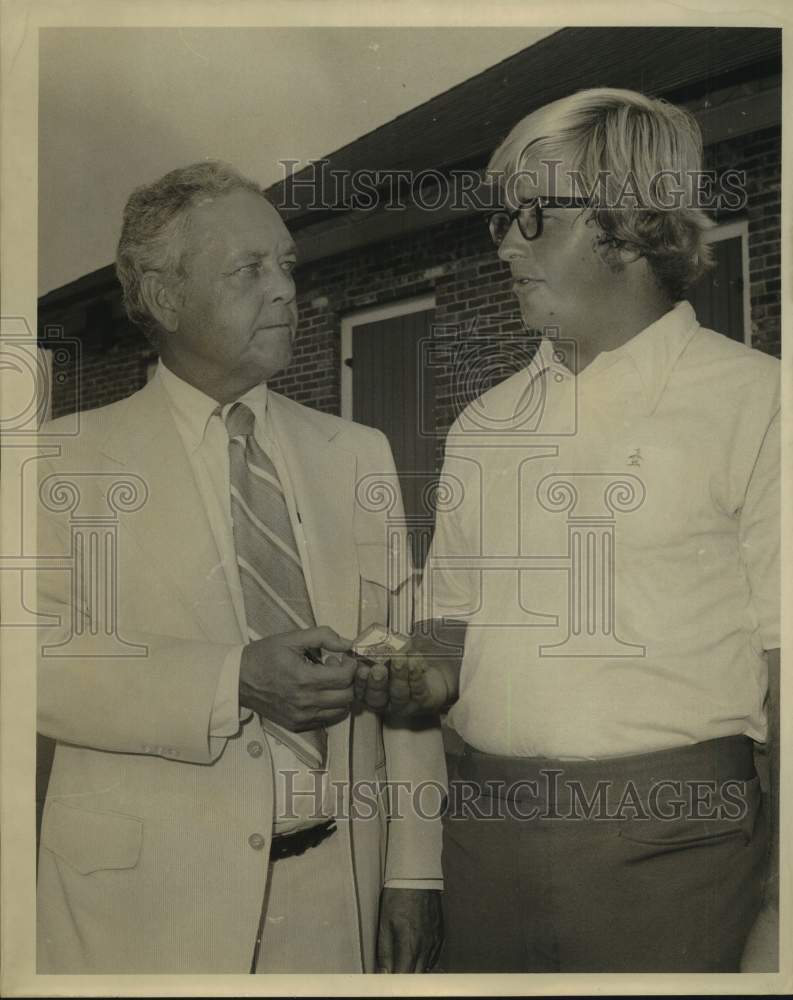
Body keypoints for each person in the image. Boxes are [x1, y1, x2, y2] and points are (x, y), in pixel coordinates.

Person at [359, 89, 780, 972]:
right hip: (486, 847)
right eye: (500, 222)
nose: (506, 244)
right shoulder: (483, 422)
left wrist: (781, 916)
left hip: (681, 860)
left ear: (628, 226)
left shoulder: (758, 403)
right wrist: (411, 673)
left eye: (532, 217)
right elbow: (448, 638)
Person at [35, 161, 445, 974]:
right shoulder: (57, 464)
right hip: (142, 914)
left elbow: (402, 664)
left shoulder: (358, 454)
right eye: (249, 269)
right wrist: (231, 681)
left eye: (287, 265)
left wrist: (413, 869)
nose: (286, 289)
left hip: (339, 897)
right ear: (162, 296)